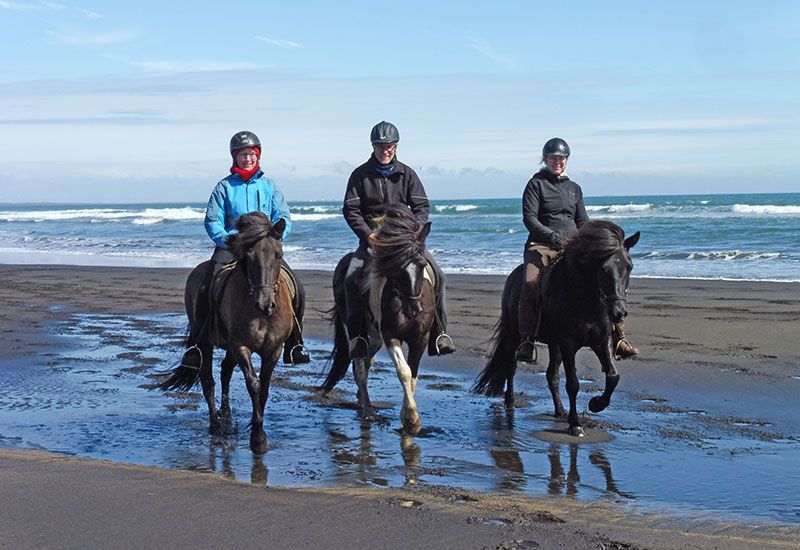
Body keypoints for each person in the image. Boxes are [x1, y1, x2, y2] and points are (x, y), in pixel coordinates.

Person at [180, 130, 310, 369]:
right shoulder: (224, 187)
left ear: (257, 156)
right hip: (233, 247)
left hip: (263, 249)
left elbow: (283, 217)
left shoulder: (269, 186)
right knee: (206, 284)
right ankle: (197, 344)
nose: (247, 159)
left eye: (250, 154)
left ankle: (295, 343)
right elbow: (212, 221)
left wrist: (276, 235)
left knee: (297, 288)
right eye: (242, 155)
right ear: (234, 157)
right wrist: (228, 239)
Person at [515, 137, 638, 362]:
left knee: (604, 279)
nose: (557, 162)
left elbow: (583, 221)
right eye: (553, 158)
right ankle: (526, 340)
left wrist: (591, 240)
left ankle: (619, 337)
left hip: (571, 246)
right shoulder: (536, 184)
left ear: (567, 160)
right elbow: (529, 218)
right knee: (530, 285)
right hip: (541, 246)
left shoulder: (574, 188)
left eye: (561, 159)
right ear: (545, 159)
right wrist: (551, 235)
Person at [340, 121, 455, 359]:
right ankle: (359, 337)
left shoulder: (407, 174)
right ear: (373, 147)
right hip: (373, 241)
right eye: (381, 146)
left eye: (389, 146)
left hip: (404, 242)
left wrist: (413, 232)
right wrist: (367, 234)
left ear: (396, 147)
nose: (385, 151)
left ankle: (439, 334)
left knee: (439, 276)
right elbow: (351, 209)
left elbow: (422, 206)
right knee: (351, 279)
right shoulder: (360, 175)